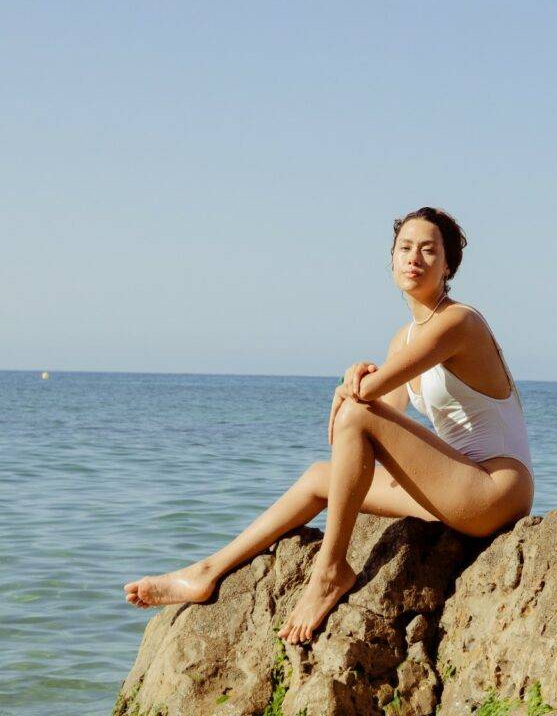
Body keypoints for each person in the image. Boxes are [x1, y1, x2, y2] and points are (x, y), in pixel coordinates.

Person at [124, 207, 535, 646]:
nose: (414, 257)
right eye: (405, 248)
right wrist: (355, 381)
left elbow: (361, 408)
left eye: (429, 250)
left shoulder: (459, 322)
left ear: (448, 265)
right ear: (392, 259)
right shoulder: (404, 339)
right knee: (320, 477)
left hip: (494, 488)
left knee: (357, 417)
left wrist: (352, 387)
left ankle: (330, 571)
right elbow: (372, 413)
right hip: (454, 488)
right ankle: (205, 573)